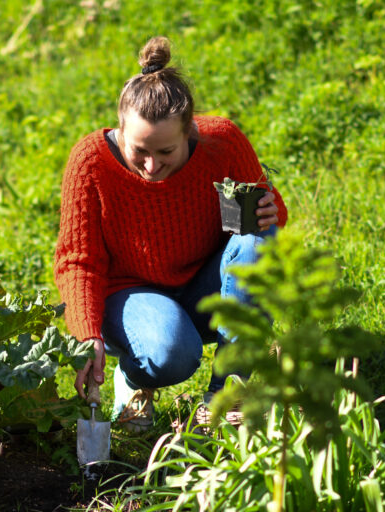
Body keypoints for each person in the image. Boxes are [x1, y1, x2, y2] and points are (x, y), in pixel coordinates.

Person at [54, 36, 288, 432]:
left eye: (166, 152)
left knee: (258, 239)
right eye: (139, 151)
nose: (150, 165)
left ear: (189, 133)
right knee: (170, 352)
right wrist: (86, 334)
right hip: (129, 296)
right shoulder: (90, 162)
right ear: (121, 130)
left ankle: (229, 390)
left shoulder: (223, 143)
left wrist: (271, 210)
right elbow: (79, 260)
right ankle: (133, 380)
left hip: (205, 286)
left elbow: (262, 223)